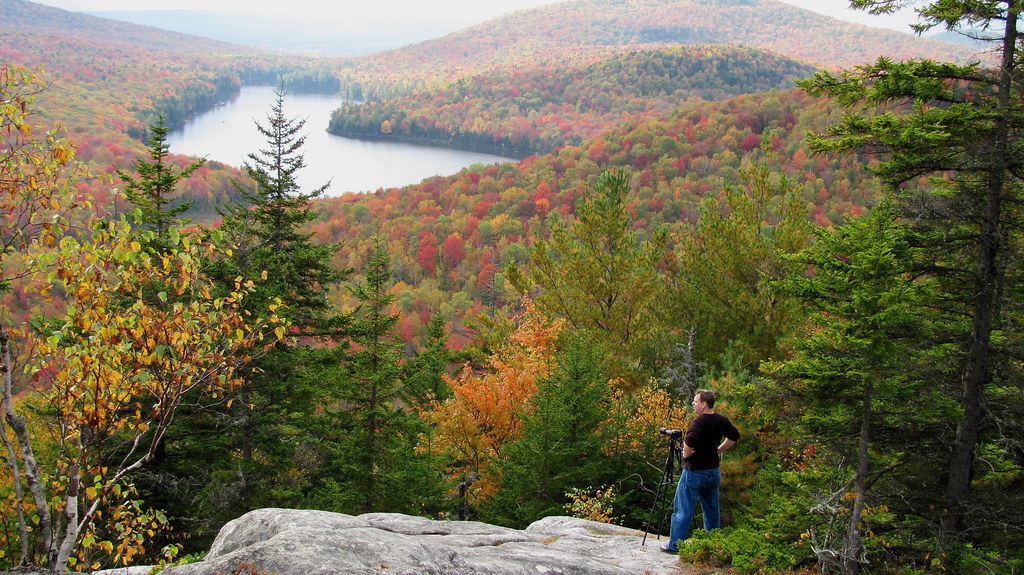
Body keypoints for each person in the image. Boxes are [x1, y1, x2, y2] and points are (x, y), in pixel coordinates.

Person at [662, 389, 740, 553]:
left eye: (695, 401)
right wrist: (718, 450)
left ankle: (675, 545)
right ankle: (712, 545)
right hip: (713, 472)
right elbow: (734, 436)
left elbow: (688, 443)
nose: (693, 404)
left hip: (695, 472)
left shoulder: (698, 423)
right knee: (712, 511)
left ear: (704, 404)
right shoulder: (721, 420)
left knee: (682, 510)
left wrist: (686, 454)